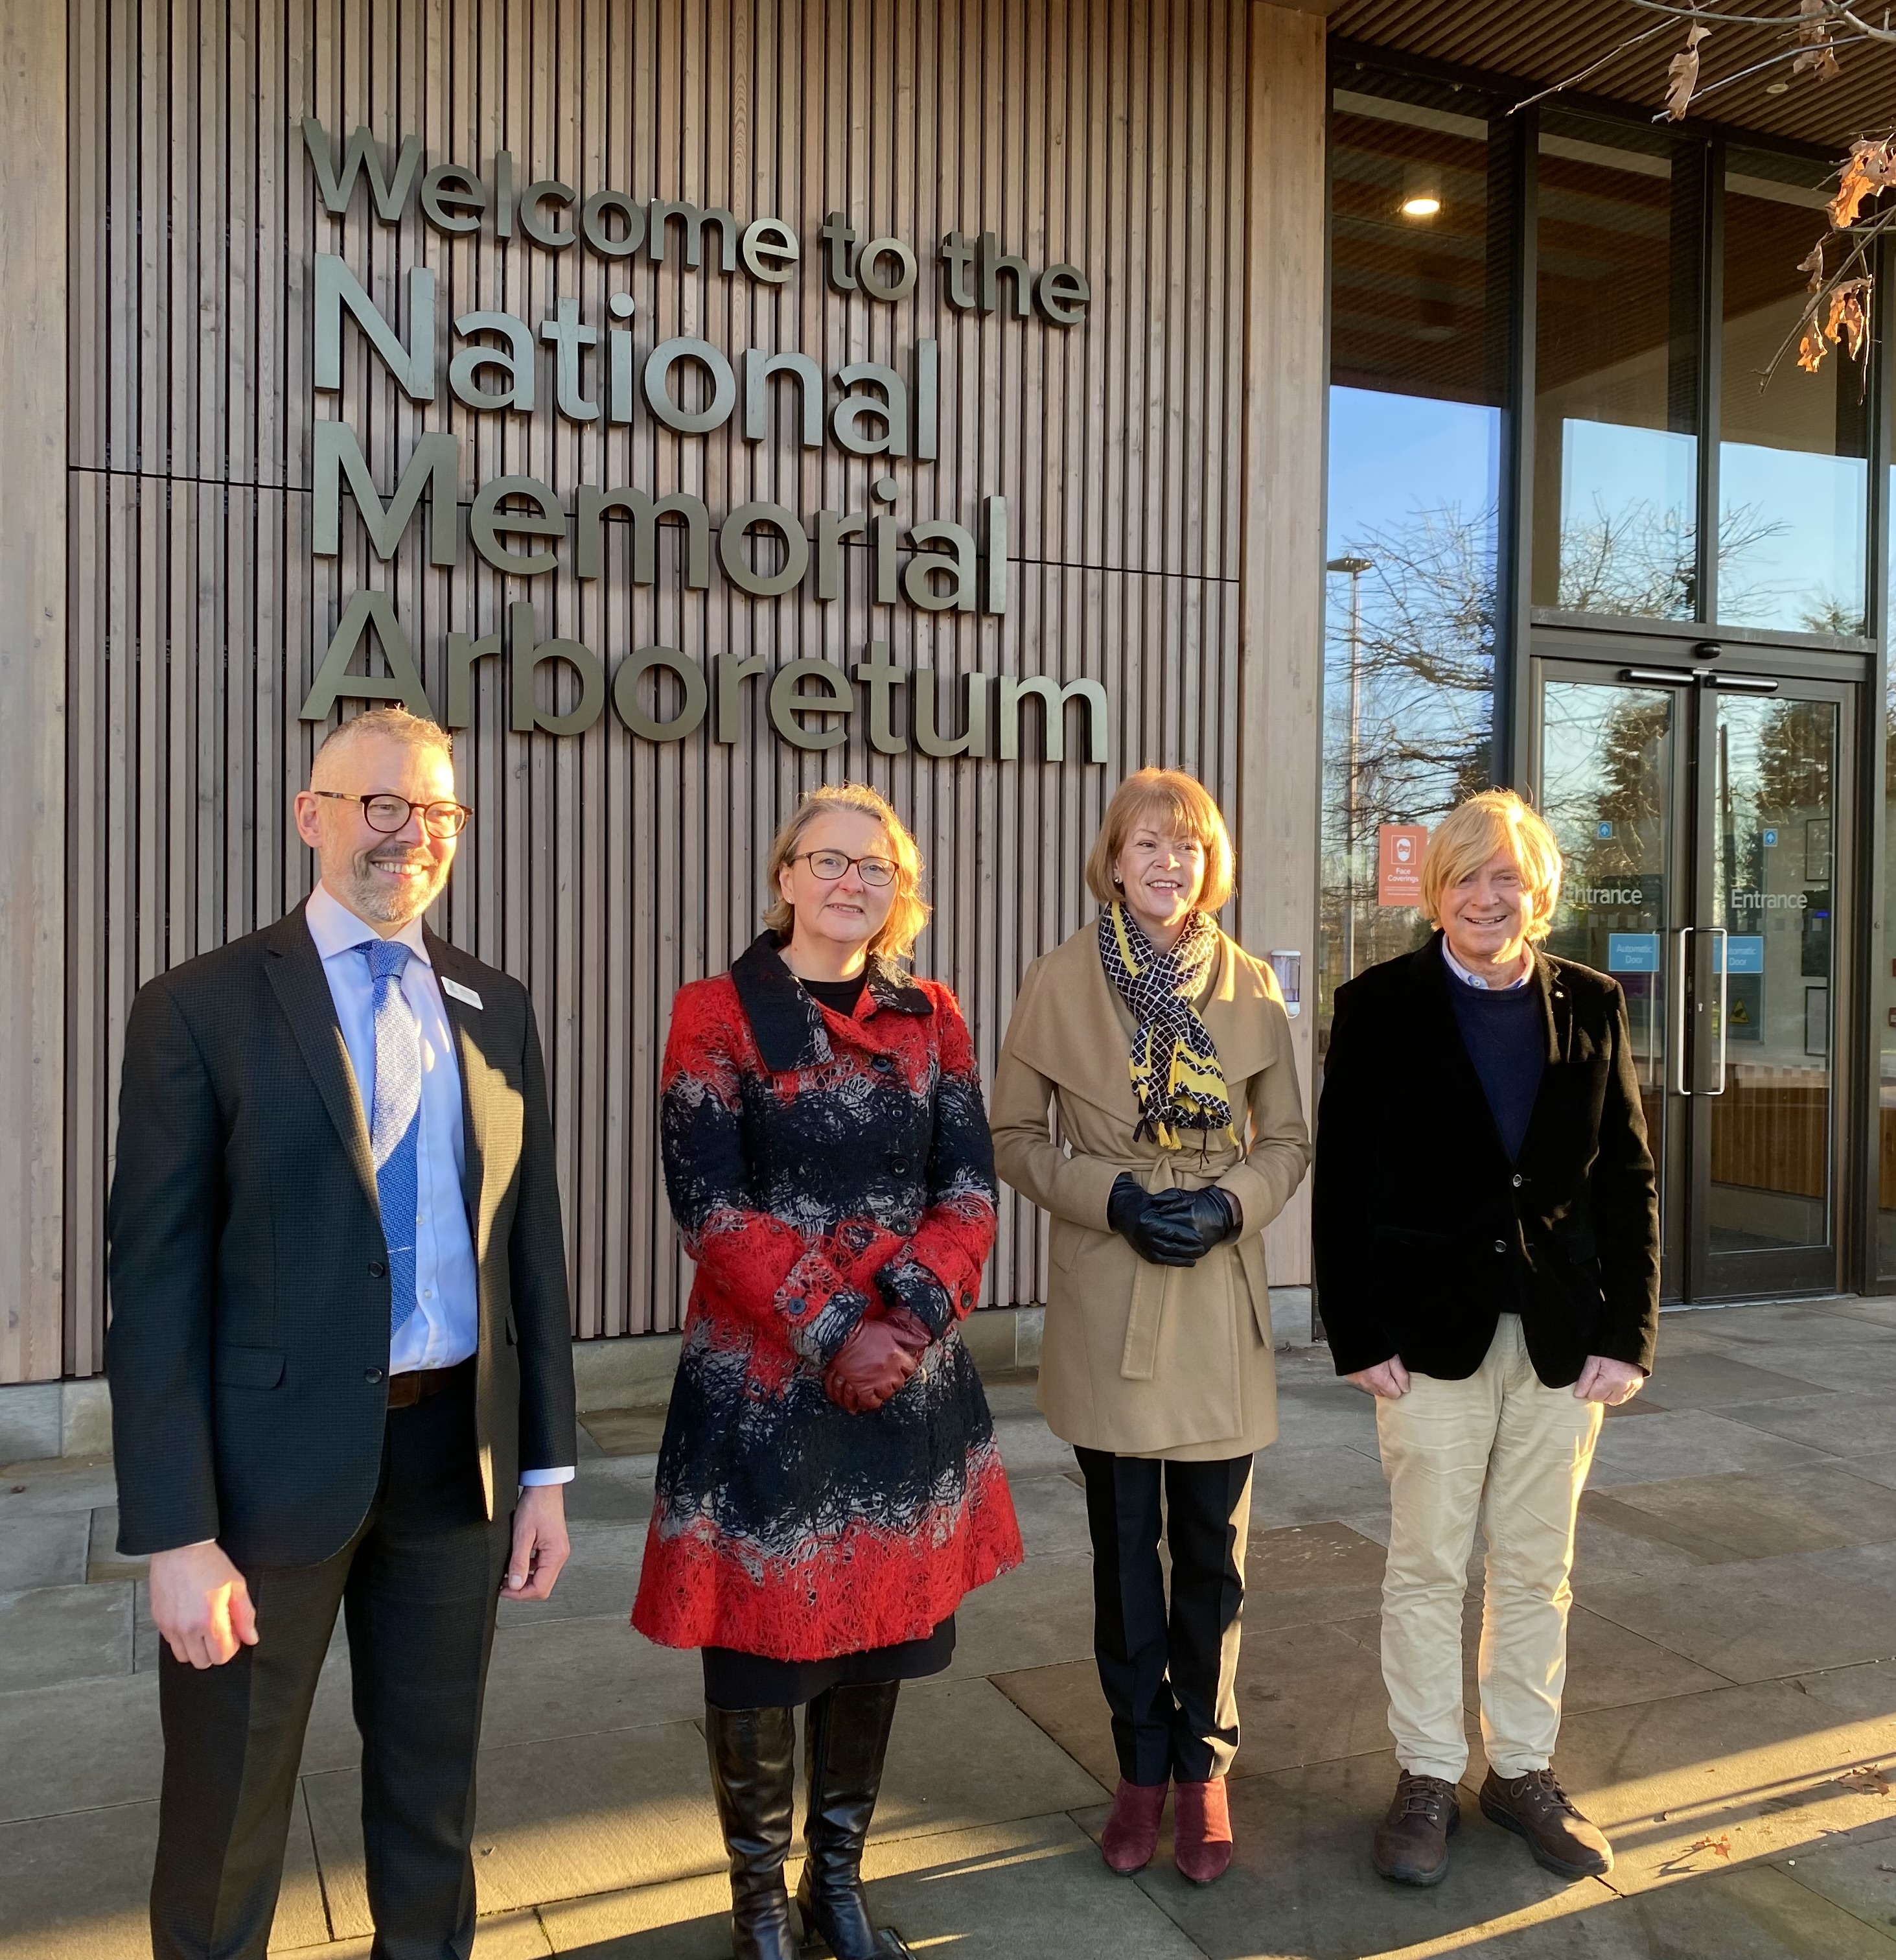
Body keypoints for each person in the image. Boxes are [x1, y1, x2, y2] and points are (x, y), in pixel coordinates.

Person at [107, 706, 579, 1960]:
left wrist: (543, 1472)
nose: (408, 836)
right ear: (310, 816)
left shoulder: (496, 1005)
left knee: (433, 1802)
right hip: (261, 1484)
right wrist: (176, 1532)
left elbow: (531, 1253)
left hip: (452, 1473)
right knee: (227, 1811)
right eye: (380, 804)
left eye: (437, 813)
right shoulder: (198, 1008)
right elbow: (152, 1291)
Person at [632, 782, 1023, 1960]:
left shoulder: (935, 1015)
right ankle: (757, 1907)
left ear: (899, 892)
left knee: (880, 1635)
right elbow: (709, 1205)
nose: (850, 882)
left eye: (875, 867)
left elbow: (966, 1190)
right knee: (758, 1649)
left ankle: (833, 1887)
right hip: (763, 1388)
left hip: (905, 1386)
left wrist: (900, 1325)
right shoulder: (714, 1014)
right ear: (785, 875)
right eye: (828, 861)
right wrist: (831, 1330)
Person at [1313, 789, 1659, 1889]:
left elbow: (1629, 1181)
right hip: (1426, 1343)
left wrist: (1629, 1332)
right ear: (1436, 891)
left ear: (1537, 890)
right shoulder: (1376, 1005)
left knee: (1533, 1569)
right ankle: (1424, 1773)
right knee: (1424, 1566)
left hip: (1561, 1340)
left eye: (1505, 875)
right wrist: (1356, 1330)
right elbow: (1346, 1186)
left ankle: (1518, 1771)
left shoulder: (1592, 1004)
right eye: (1464, 876)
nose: (1484, 895)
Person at [989, 767, 1310, 1885]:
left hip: (1215, 1295)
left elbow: (1288, 1145)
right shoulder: (1056, 981)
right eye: (1148, 845)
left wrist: (1228, 1206)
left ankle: (1204, 1768)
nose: (1168, 863)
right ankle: (1136, 1769)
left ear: (1207, 865)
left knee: (1212, 1558)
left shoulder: (1253, 986)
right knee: (1124, 1557)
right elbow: (1014, 1138)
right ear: (1112, 860)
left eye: (1189, 846)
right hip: (1110, 1286)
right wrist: (1110, 1197)